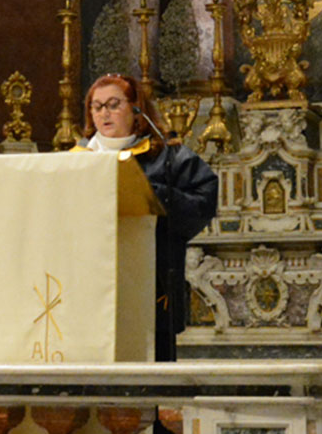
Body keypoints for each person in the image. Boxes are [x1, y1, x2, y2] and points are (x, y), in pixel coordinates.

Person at [80, 74, 219, 363]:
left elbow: (203, 201)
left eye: (113, 104)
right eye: (97, 106)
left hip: (152, 287)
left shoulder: (166, 156)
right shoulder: (76, 160)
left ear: (136, 110)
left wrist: (153, 194)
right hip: (89, 289)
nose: (104, 113)